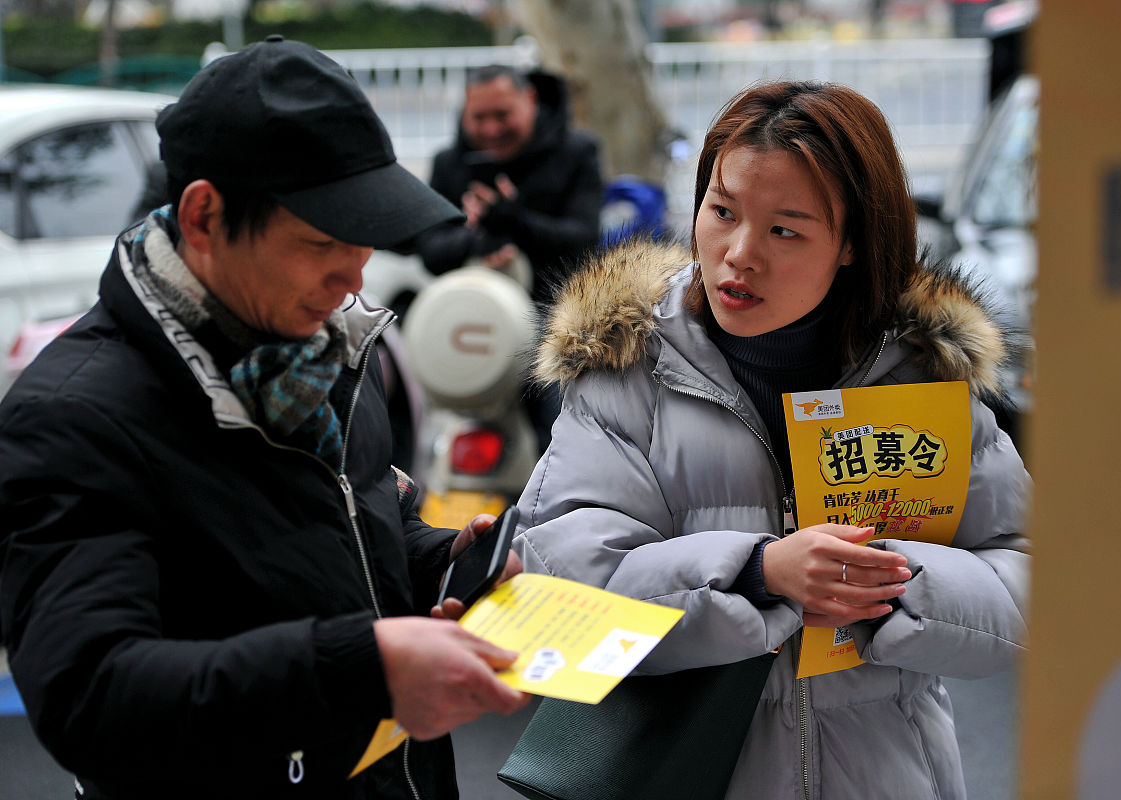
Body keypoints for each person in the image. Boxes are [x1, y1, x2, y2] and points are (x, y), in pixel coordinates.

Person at [0, 37, 528, 799]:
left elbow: (341, 531)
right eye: (322, 242)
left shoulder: (327, 355)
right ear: (205, 216)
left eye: (366, 241)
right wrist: (362, 667)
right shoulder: (74, 418)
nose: (353, 278)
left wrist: (443, 564)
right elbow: (91, 694)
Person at [513, 81, 1031, 799]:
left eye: (785, 229)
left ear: (852, 244)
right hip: (685, 774)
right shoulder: (624, 370)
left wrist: (889, 580)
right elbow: (560, 595)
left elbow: (1022, 578)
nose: (739, 255)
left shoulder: (920, 380)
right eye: (722, 212)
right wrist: (757, 572)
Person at [415, 64, 605, 307]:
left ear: (530, 99)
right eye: (479, 117)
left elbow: (583, 243)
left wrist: (515, 223)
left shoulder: (578, 153)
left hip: (556, 312)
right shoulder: (448, 163)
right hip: (469, 311)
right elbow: (430, 253)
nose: (491, 129)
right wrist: (477, 239)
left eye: (502, 115)